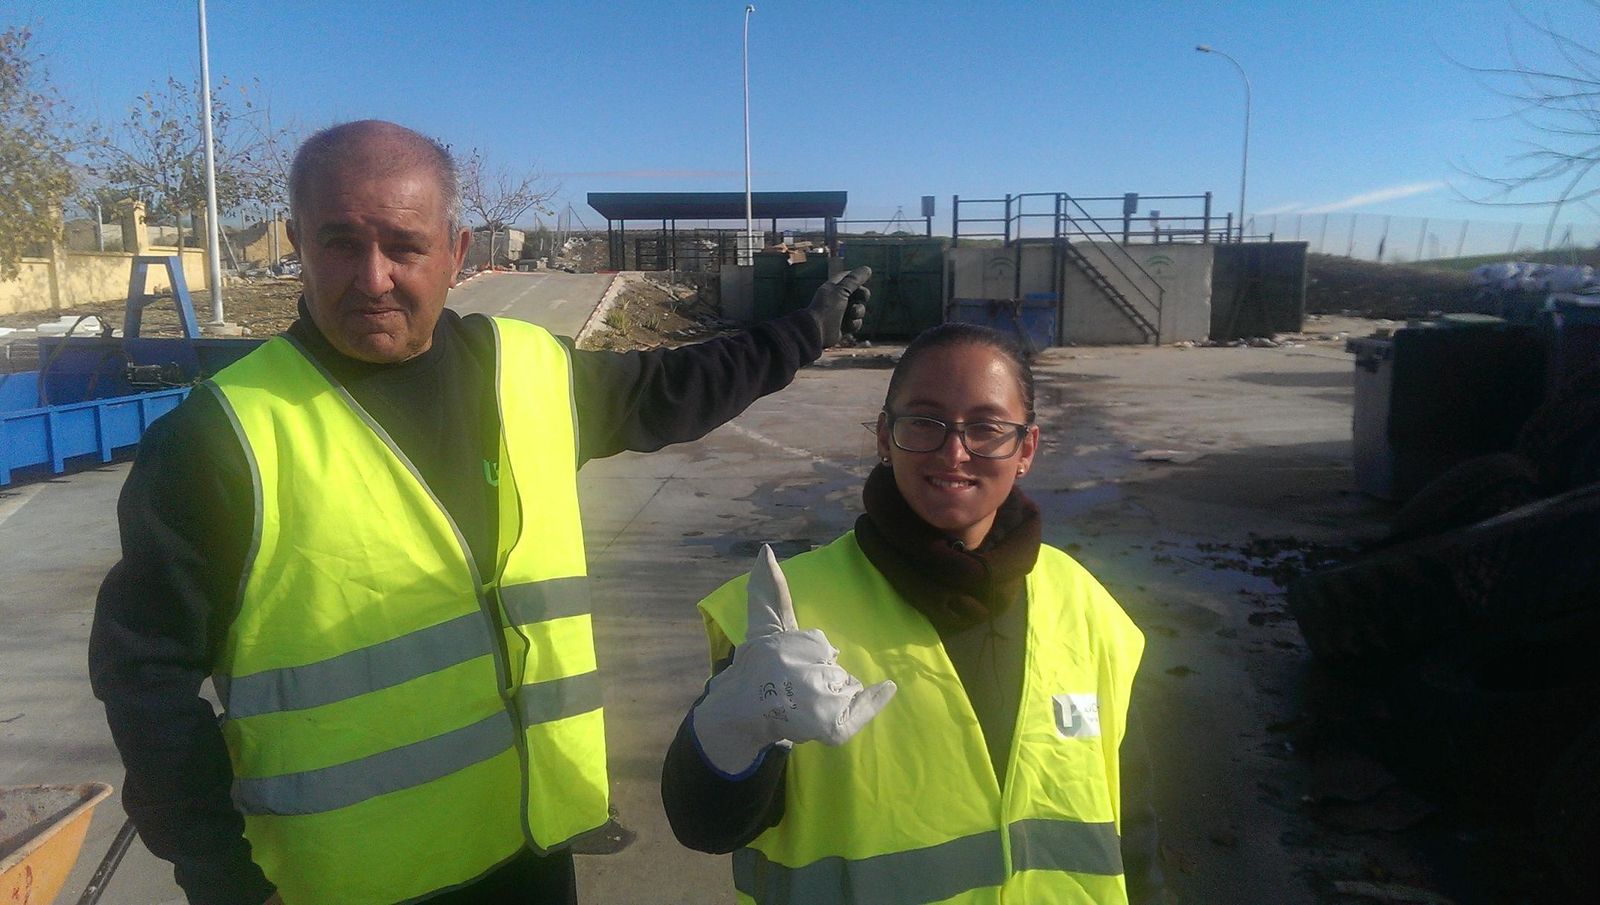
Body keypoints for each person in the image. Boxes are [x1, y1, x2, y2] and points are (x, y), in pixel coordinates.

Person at [89, 119, 868, 905]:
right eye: (338, 243)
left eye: (404, 245)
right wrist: (224, 881)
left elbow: (676, 387)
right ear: (296, 242)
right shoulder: (220, 438)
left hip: (528, 854)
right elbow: (146, 684)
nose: (373, 277)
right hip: (346, 884)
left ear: (457, 253)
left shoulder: (522, 372)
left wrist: (806, 332)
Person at [662, 323, 1162, 904]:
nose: (955, 451)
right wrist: (730, 728)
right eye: (925, 422)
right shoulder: (784, 616)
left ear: (1025, 449)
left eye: (987, 427)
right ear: (884, 437)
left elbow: (1134, 823)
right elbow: (706, 826)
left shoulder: (1087, 605)